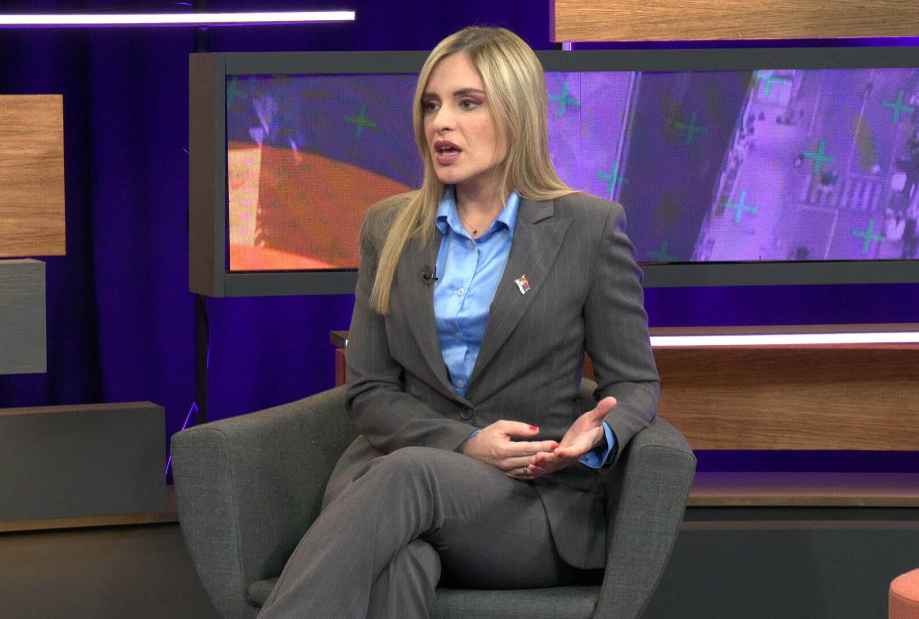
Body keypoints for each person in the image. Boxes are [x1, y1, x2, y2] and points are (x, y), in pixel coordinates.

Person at [258, 26, 659, 618]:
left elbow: (636, 383)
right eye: (431, 105)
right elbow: (369, 390)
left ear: (517, 113)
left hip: (527, 504)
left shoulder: (588, 228)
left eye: (467, 103)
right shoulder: (388, 227)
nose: (441, 123)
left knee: (408, 478)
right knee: (401, 559)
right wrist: (465, 443)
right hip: (391, 488)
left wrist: (597, 437)